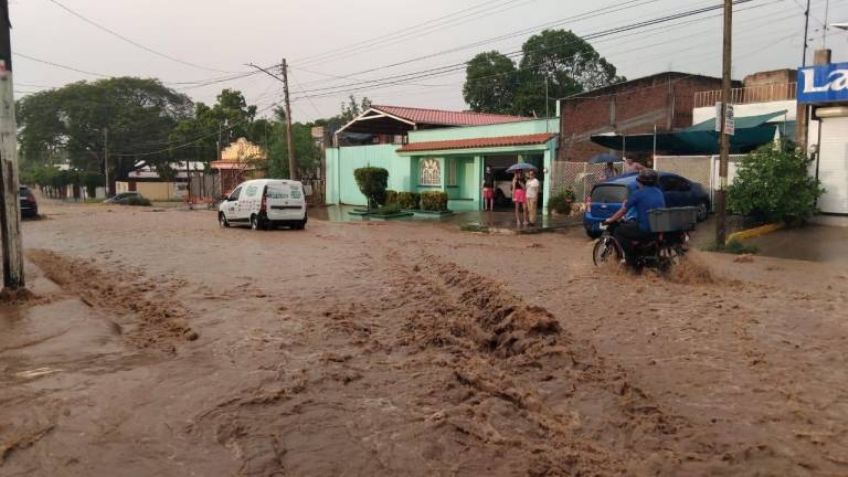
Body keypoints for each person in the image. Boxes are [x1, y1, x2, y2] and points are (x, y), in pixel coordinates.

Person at [603, 169, 665, 264]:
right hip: (656, 229)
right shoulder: (659, 192)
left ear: (640, 182)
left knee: (618, 231)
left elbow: (623, 211)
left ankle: (631, 260)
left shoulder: (638, 194)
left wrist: (610, 220)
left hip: (644, 229)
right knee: (631, 226)